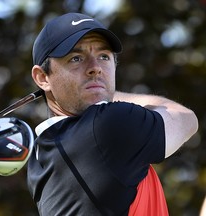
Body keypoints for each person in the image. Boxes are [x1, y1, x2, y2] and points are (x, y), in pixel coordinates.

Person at [27, 12, 199, 216]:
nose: (95, 68)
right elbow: (185, 118)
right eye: (76, 58)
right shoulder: (109, 124)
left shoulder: (38, 158)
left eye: (103, 56)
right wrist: (101, 93)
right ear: (42, 78)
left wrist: (93, 91)